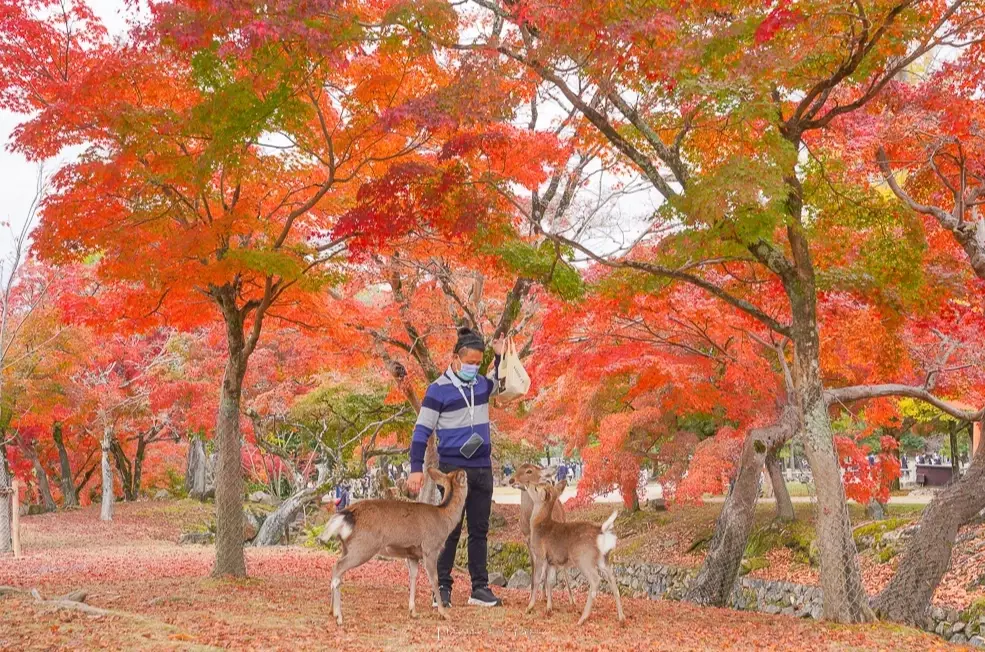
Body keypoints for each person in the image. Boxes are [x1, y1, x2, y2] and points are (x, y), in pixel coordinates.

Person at [406, 327, 506, 609]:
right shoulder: (438, 390)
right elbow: (421, 431)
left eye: (478, 363)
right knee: (449, 529)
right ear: (455, 359)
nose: (474, 368)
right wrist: (416, 468)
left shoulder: (482, 386)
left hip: (482, 468)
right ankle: (442, 588)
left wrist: (499, 357)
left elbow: (501, 382)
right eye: (470, 362)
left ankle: (479, 588)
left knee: (479, 530)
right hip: (453, 471)